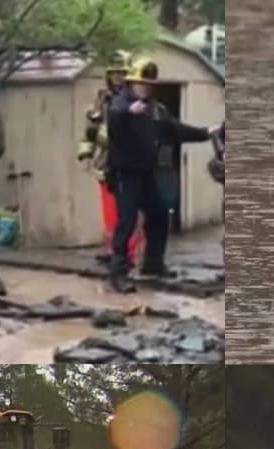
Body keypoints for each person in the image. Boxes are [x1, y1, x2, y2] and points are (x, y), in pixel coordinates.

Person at [105, 58, 218, 293]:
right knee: (126, 223)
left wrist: (206, 132)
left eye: (149, 85)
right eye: (141, 84)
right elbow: (114, 118)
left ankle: (153, 264)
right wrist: (128, 112)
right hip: (125, 174)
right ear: (131, 83)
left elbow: (176, 130)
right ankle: (118, 273)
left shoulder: (156, 109)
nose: (145, 88)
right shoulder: (121, 103)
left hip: (147, 173)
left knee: (159, 215)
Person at [79, 52, 145, 266]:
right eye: (113, 73)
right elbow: (91, 128)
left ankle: (129, 254)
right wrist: (87, 154)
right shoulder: (102, 98)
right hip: (106, 164)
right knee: (109, 214)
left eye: (121, 73)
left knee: (128, 213)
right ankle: (113, 250)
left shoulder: (135, 99)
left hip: (128, 164)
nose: (117, 78)